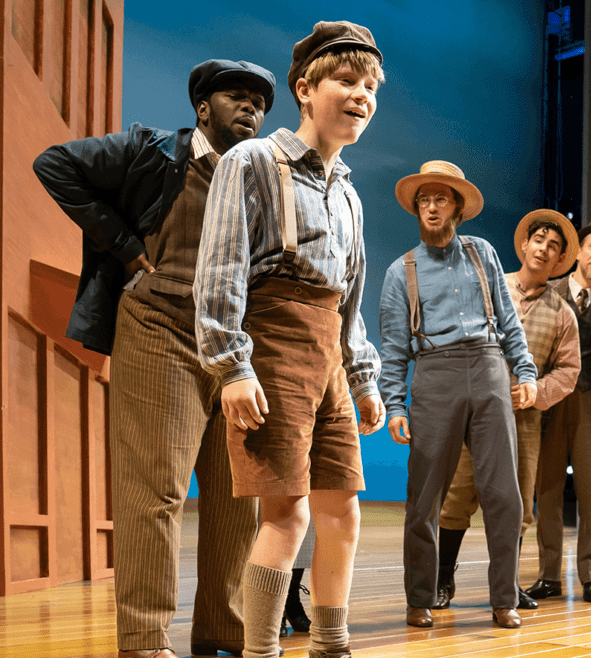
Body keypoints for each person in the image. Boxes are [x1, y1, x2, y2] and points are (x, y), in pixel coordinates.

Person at [34, 58, 277, 658]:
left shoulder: (262, 180)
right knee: (155, 488)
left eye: (259, 102)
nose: (251, 108)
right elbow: (55, 164)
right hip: (159, 325)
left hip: (235, 345)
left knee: (238, 496)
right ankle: (144, 638)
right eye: (237, 96)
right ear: (203, 108)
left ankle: (223, 629)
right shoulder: (154, 151)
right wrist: (122, 244)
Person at [195, 22, 387, 658]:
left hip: (329, 357)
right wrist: (232, 367)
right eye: (346, 80)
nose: (361, 96)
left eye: (371, 87)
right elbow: (220, 269)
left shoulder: (349, 194)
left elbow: (349, 299)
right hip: (273, 344)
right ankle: (261, 650)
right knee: (287, 513)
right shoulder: (252, 162)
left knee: (343, 509)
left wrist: (362, 377)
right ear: (306, 88)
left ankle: (331, 645)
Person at [379, 161, 537, 630]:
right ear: (416, 209)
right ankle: (419, 598)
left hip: (489, 368)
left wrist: (525, 370)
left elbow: (508, 320)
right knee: (424, 498)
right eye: (424, 200)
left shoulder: (482, 253)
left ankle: (504, 599)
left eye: (441, 199)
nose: (431, 207)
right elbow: (393, 348)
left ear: (457, 208)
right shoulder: (400, 271)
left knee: (504, 495)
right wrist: (394, 405)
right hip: (435, 374)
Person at [436, 210, 581, 610]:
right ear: (524, 245)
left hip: (524, 421)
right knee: (457, 496)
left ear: (559, 260)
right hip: (474, 414)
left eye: (553, 246)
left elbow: (569, 371)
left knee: (514, 504)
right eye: (539, 241)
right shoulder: (489, 288)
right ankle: (442, 579)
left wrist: (536, 392)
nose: (544, 249)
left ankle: (507, 585)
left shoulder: (563, 313)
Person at [528, 219, 591, 604]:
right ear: (578, 251)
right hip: (551, 401)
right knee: (548, 492)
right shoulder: (548, 291)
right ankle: (549, 575)